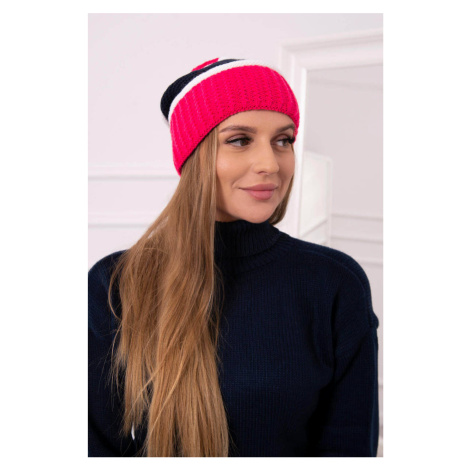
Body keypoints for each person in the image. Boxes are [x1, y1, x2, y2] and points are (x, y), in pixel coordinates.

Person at [88, 57, 380, 457]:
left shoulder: (335, 283)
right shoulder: (116, 282)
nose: (270, 164)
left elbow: (349, 449)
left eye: (283, 140)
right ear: (194, 155)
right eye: (240, 140)